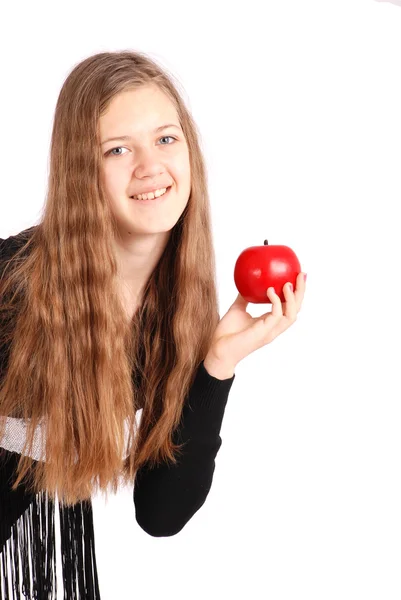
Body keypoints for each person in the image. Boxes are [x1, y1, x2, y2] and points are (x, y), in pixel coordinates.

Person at [0, 50, 306, 599]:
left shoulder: (177, 311)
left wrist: (216, 365)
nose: (150, 166)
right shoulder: (10, 285)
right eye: (118, 149)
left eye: (166, 139)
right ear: (80, 171)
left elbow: (162, 512)